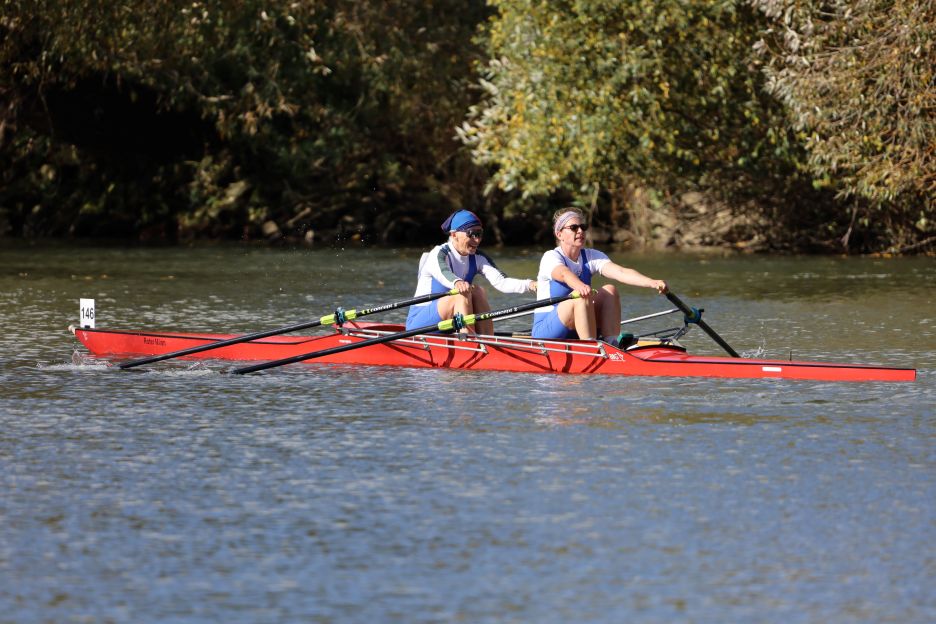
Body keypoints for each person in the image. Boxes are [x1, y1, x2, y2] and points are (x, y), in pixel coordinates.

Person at [532, 208, 668, 345]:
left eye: (583, 227)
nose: (580, 231)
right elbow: (563, 274)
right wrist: (580, 286)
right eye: (573, 227)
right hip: (547, 331)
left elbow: (620, 272)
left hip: (579, 326)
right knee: (580, 294)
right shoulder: (551, 257)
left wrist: (652, 282)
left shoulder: (591, 256)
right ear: (559, 234)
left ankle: (612, 343)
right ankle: (591, 348)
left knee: (610, 290)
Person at [406, 210, 536, 335]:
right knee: (461, 294)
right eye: (472, 233)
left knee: (478, 291)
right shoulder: (438, 254)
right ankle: (469, 343)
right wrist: (457, 282)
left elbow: (502, 282)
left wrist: (531, 284)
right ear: (454, 235)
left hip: (451, 321)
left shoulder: (478, 258)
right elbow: (444, 273)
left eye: (479, 234)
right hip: (419, 324)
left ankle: (487, 341)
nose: (477, 240)